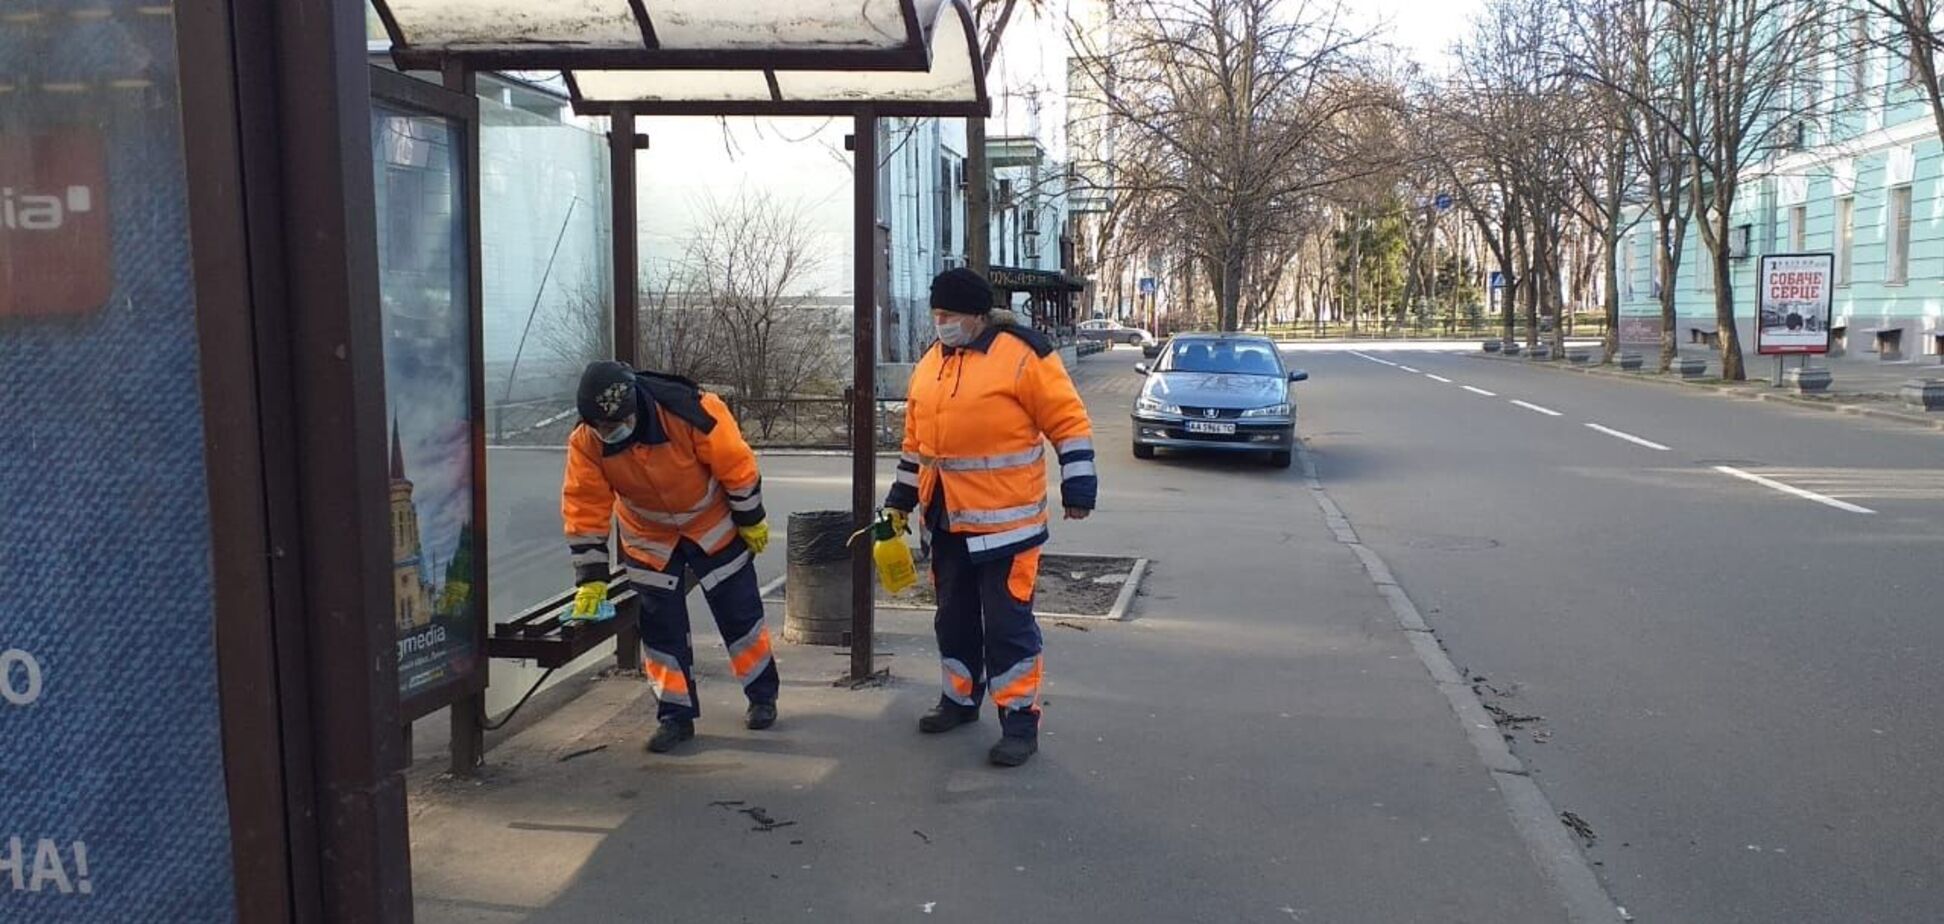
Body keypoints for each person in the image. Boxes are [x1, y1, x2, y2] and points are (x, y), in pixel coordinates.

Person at [885, 268, 1098, 768]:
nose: (941, 323)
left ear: (977, 316)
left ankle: (1019, 722)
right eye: (936, 315)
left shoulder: (1024, 355)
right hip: (946, 520)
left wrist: (1079, 484)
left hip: (1008, 525)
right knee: (953, 620)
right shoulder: (932, 364)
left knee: (1008, 627)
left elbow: (1068, 422)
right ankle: (959, 701)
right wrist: (900, 499)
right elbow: (917, 448)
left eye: (949, 315)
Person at [561, 361, 778, 753]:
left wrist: (751, 519)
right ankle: (674, 716)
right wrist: (591, 578)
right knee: (661, 630)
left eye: (614, 426)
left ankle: (762, 696)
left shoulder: (690, 409)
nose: (608, 435)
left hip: (712, 521)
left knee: (740, 613)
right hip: (649, 536)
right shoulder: (587, 440)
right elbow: (585, 505)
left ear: (633, 409)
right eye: (600, 428)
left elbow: (737, 466)